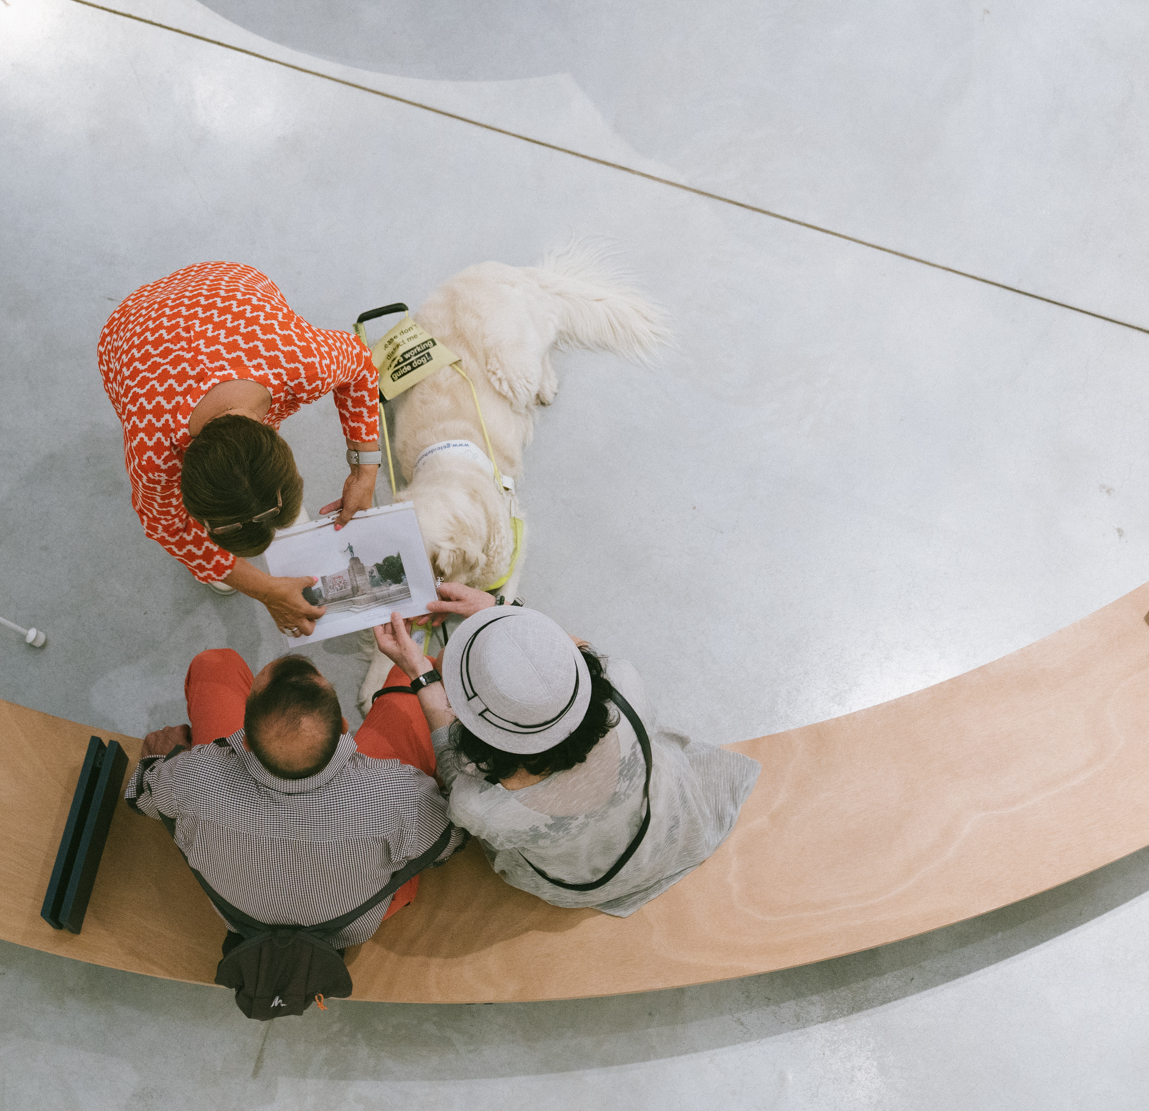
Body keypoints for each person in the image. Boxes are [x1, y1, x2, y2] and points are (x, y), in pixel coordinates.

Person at [371, 589, 760, 916]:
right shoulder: (625, 683)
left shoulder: (479, 806)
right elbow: (580, 660)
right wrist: (504, 608)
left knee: (442, 670)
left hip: (582, 886)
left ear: (478, 735)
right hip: (671, 827)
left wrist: (421, 674)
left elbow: (452, 767)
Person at [98, 262, 384, 637]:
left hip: (226, 285)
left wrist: (365, 471)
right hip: (130, 326)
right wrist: (263, 589)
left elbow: (361, 364)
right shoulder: (151, 451)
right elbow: (167, 528)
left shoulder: (300, 359)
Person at [127, 647, 465, 950]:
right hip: (353, 925)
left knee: (214, 663)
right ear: (343, 728)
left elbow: (143, 797)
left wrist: (165, 759)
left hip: (243, 916)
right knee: (411, 675)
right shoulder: (399, 795)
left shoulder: (193, 777)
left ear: (245, 741)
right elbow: (448, 843)